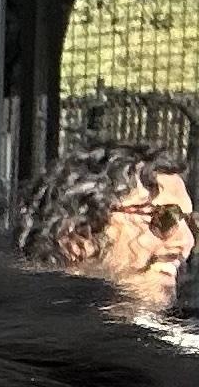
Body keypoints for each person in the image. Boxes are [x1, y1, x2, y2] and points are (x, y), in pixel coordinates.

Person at [13, 136, 194, 319]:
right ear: (77, 235)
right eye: (165, 217)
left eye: (189, 222)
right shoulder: (17, 336)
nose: (187, 241)